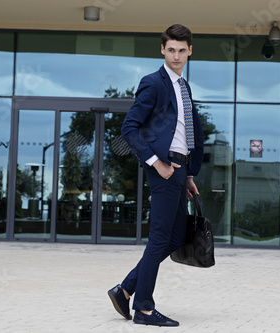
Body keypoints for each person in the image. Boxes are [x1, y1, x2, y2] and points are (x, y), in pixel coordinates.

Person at [108, 24, 204, 327]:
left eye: (182, 50)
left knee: (176, 236)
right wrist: (156, 163)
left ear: (190, 51)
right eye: (171, 49)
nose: (176, 55)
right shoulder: (153, 83)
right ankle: (144, 308)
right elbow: (129, 128)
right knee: (161, 236)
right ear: (162, 50)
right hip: (163, 169)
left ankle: (125, 290)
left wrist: (188, 173)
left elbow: (182, 135)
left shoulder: (183, 87)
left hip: (180, 169)